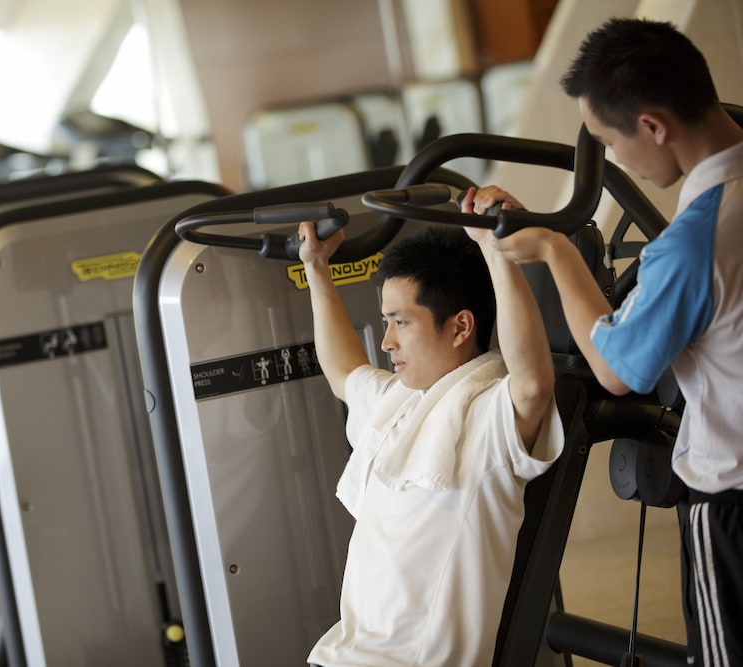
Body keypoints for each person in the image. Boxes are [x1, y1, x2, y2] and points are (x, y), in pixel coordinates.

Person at [476, 17, 743, 666]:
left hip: (732, 496)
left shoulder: (695, 241)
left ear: (653, 125)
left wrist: (556, 249)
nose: (616, 159)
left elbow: (617, 369)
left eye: (609, 142)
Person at [298, 197, 564, 666]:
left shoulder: (487, 419)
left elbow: (533, 385)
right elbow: (343, 373)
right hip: (341, 656)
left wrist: (495, 249)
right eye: (387, 322)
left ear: (461, 326)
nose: (386, 342)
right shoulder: (399, 402)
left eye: (401, 322)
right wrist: (317, 269)